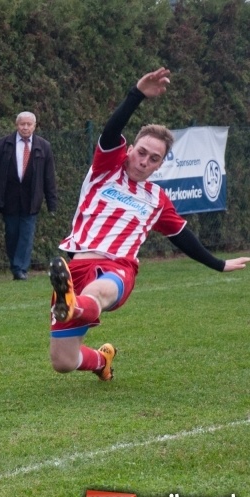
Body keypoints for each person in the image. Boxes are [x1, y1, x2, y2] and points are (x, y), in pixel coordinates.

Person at [48, 67, 250, 381]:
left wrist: (219, 264)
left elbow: (182, 236)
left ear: (160, 164)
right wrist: (137, 94)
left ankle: (73, 305)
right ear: (129, 150)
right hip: (74, 267)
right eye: (141, 152)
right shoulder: (105, 170)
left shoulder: (156, 199)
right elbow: (111, 131)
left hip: (117, 268)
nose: (144, 161)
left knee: (96, 293)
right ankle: (102, 361)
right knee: (62, 360)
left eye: (154, 158)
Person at [0, 111, 57, 280]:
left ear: (34, 127)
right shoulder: (3, 145)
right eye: (22, 124)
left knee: (26, 235)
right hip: (9, 198)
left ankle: (20, 269)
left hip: (32, 199)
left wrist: (52, 203)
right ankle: (15, 265)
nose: (25, 127)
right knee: (12, 233)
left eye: (29, 124)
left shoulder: (44, 147)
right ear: (17, 125)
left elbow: (49, 177)